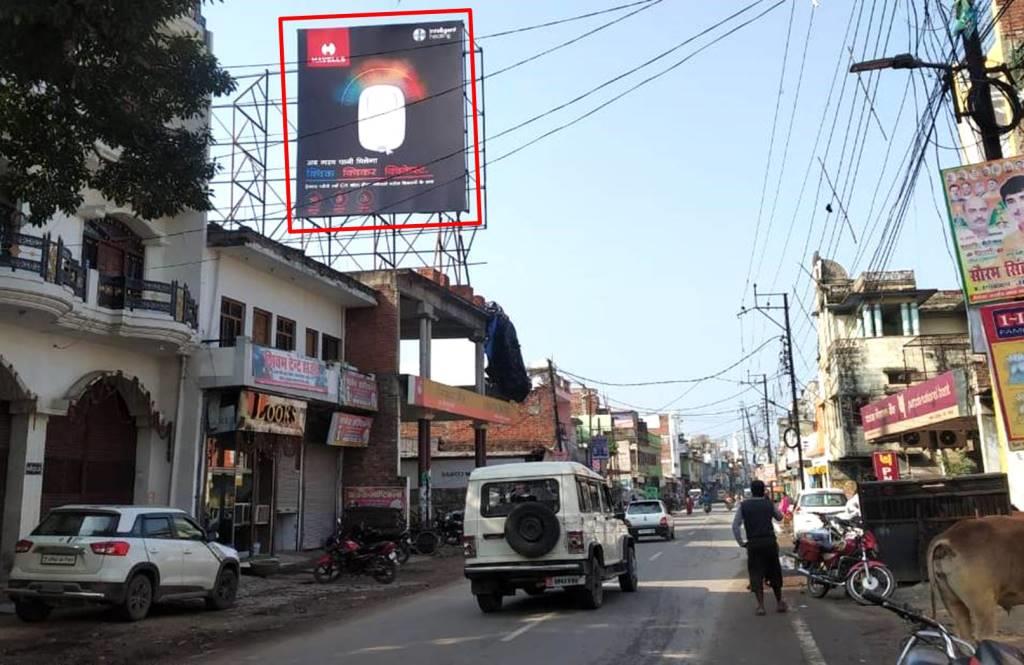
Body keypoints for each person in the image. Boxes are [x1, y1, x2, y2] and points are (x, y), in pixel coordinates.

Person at [732, 480, 788, 616]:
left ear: (751, 491)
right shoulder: (768, 504)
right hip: (769, 542)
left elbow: (735, 526)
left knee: (756, 573)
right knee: (774, 571)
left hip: (754, 543)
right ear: (764, 491)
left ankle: (761, 606)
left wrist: (741, 543)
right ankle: (779, 602)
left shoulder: (744, 506)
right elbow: (780, 517)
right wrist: (771, 504)